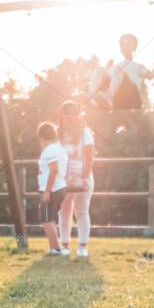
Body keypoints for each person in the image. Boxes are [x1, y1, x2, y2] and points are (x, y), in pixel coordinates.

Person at [57, 101, 95, 259]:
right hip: (63, 176)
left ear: (77, 115)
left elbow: (89, 157)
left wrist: (85, 178)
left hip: (81, 174)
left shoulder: (85, 132)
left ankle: (82, 246)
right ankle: (64, 245)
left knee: (82, 210)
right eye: (67, 115)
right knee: (64, 211)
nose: (70, 118)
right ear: (62, 115)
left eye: (73, 114)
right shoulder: (58, 132)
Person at [86, 34, 154, 111]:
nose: (124, 46)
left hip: (130, 96)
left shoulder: (138, 67)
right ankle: (92, 97)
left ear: (133, 48)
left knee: (118, 70)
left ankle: (109, 98)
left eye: (127, 44)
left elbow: (151, 76)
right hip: (117, 94)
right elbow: (107, 78)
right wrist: (107, 69)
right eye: (122, 44)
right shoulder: (117, 65)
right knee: (99, 70)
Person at [36, 121, 67, 256]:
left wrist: (47, 191)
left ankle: (56, 249)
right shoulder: (59, 148)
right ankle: (54, 247)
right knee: (51, 218)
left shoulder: (50, 149)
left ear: (41, 136)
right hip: (59, 187)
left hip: (52, 189)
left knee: (47, 219)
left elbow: (53, 170)